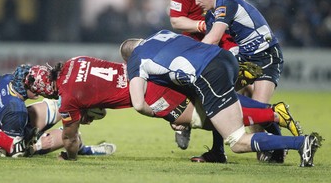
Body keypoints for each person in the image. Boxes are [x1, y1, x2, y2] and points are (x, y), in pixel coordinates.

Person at [20, 56, 301, 162]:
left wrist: (70, 156)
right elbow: (99, 88)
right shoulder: (74, 60)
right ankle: (270, 113)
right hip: (152, 74)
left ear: (45, 88)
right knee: (216, 102)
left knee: (214, 118)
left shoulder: (68, 98)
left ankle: (273, 114)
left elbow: (69, 139)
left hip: (153, 96)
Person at [120, 30, 322, 167]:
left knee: (236, 141)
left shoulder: (136, 60)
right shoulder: (161, 34)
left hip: (208, 74)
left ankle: (300, 143)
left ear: (127, 59)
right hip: (225, 59)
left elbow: (138, 104)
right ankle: (270, 126)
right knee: (216, 107)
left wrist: (159, 113)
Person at [169, 0, 259, 157]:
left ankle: (257, 145)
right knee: (196, 91)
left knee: (246, 87)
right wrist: (202, 26)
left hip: (226, 41)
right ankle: (184, 122)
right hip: (196, 44)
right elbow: (175, 20)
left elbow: (241, 2)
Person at [0, 64, 116, 157]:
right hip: (0, 141)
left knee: (59, 107)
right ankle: (86, 150)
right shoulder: (17, 111)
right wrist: (37, 146)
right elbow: (11, 150)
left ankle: (79, 110)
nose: (40, 93)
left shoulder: (4, 79)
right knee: (70, 136)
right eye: (37, 90)